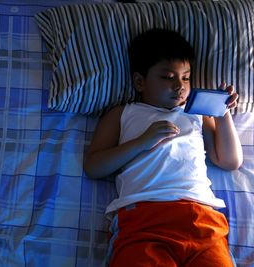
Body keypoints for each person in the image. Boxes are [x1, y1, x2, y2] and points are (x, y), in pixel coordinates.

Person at [83, 29, 243, 266]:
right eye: (168, 77)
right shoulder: (123, 114)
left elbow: (229, 161)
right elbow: (94, 167)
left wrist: (222, 113)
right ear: (140, 82)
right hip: (143, 218)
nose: (179, 86)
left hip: (201, 218)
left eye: (186, 77)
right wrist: (141, 143)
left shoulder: (197, 115)